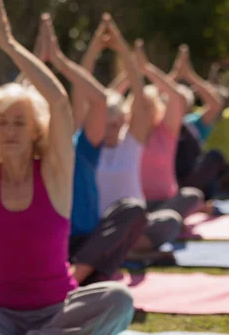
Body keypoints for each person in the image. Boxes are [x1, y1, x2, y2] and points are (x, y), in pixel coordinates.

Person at [0, 0, 133, 335]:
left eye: (19, 122)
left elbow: (60, 103)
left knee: (119, 299)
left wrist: (11, 45)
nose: (10, 129)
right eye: (2, 122)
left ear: (36, 129)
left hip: (57, 313)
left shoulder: (53, 172)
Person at [68, 15, 150, 284]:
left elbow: (140, 96)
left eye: (117, 123)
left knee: (143, 213)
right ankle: (82, 276)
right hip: (90, 235)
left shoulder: (131, 144)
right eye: (107, 123)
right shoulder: (87, 146)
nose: (112, 128)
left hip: (124, 230)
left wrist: (122, 48)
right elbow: (81, 91)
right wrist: (93, 47)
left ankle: (80, 275)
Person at [129, 43, 205, 254]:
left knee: (190, 198)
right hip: (136, 207)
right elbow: (106, 98)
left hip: (166, 202)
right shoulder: (126, 135)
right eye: (139, 107)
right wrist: (132, 72)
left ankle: (138, 240)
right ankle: (137, 241)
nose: (144, 112)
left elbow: (176, 97)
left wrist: (146, 70)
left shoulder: (165, 131)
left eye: (148, 107)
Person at [170, 46, 226, 198]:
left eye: (181, 104)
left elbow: (215, 104)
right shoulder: (157, 126)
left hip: (189, 181)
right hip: (167, 180)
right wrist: (174, 76)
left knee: (214, 156)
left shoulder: (193, 124)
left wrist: (189, 75)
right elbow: (152, 95)